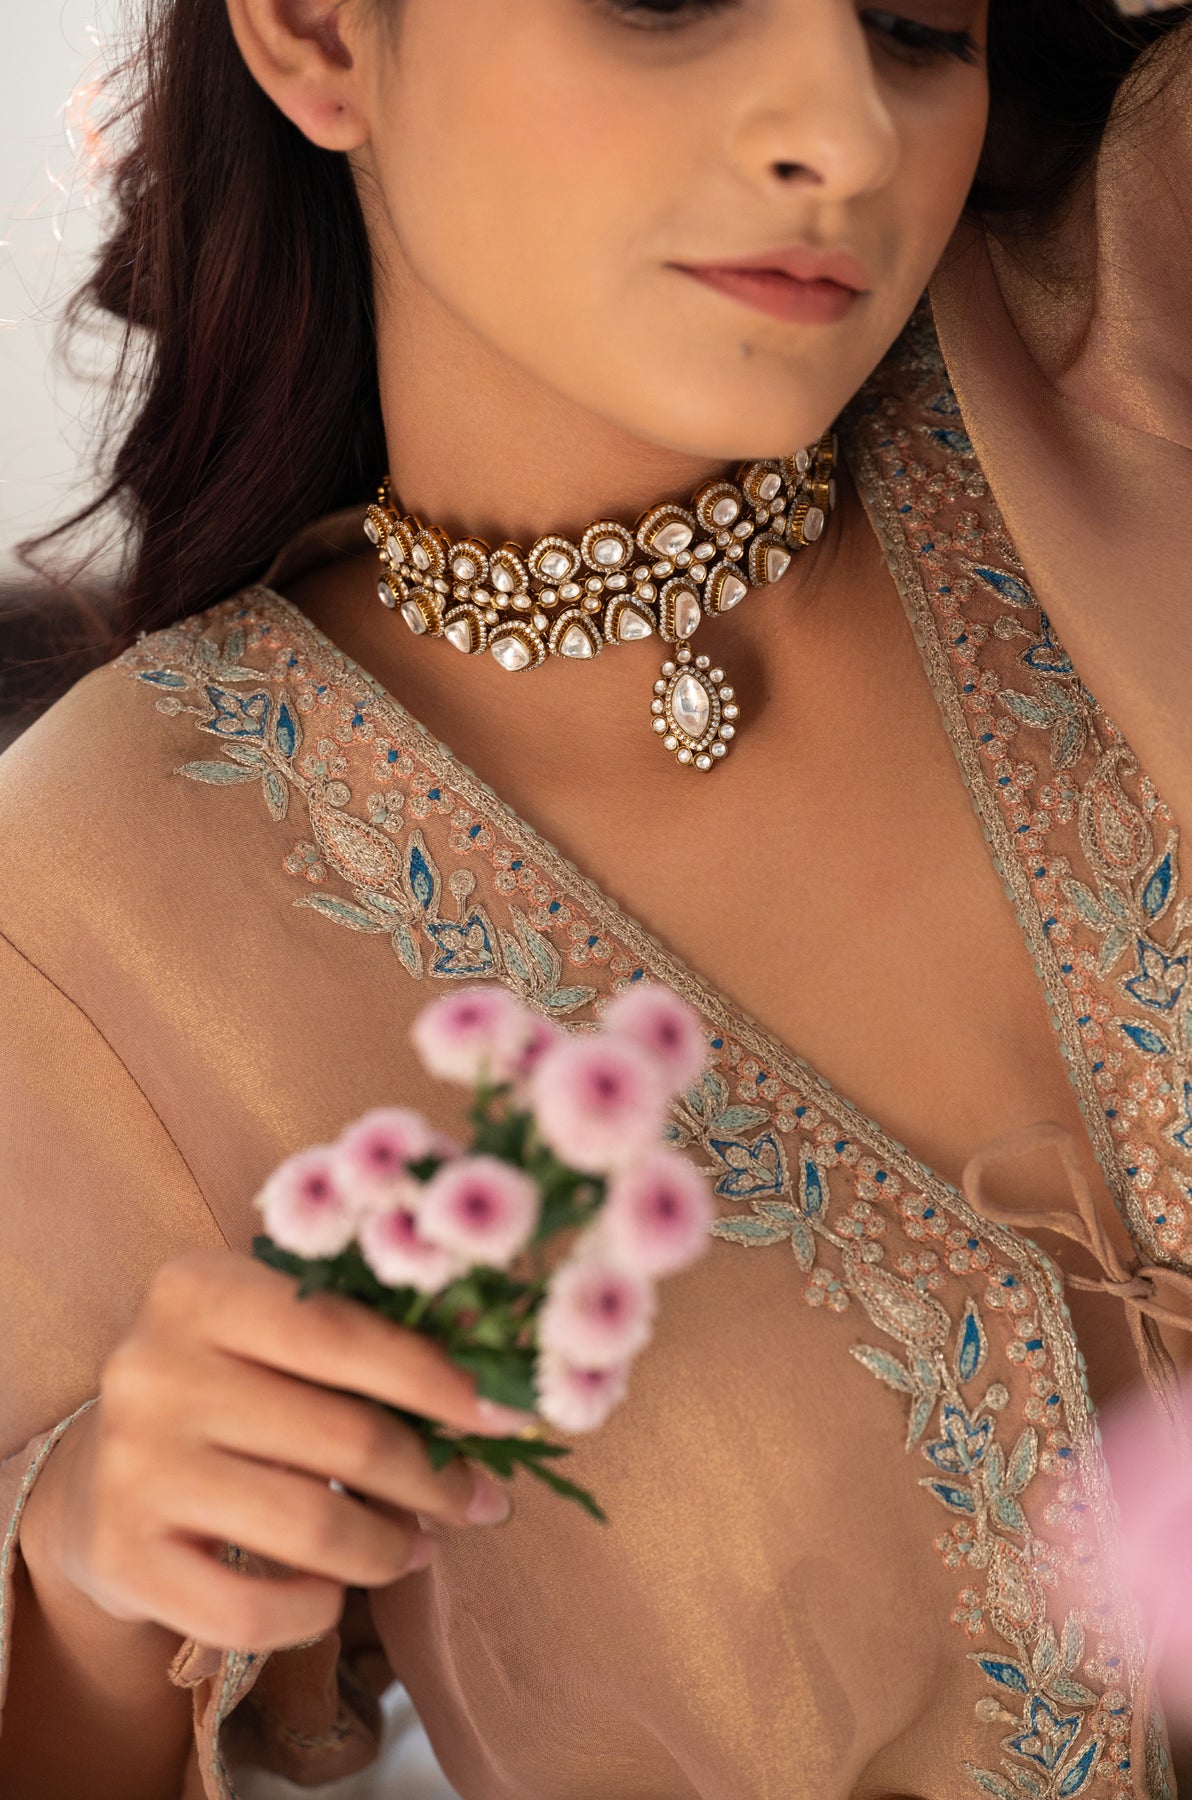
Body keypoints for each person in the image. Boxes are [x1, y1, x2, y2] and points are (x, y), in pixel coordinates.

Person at [1, 1, 1190, 1796]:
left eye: (917, 25)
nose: (849, 133)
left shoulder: (1127, 330)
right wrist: (93, 1579)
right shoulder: (107, 904)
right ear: (319, 31)